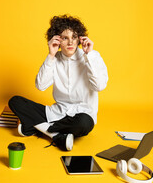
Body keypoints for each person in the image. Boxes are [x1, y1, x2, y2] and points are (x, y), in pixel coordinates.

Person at [8, 15, 108, 151]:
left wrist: (89, 56)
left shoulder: (92, 57)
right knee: (15, 101)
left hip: (82, 115)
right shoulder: (54, 59)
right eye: (65, 38)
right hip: (56, 112)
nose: (70, 43)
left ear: (80, 38)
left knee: (84, 124)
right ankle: (55, 135)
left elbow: (100, 86)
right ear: (57, 40)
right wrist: (51, 56)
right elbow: (41, 86)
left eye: (74, 37)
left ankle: (36, 126)